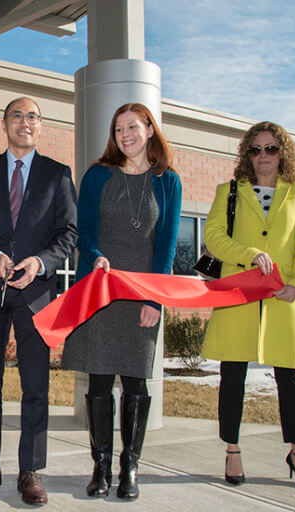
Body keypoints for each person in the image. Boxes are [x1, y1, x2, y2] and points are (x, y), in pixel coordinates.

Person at [0, 97, 78, 506]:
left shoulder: (58, 175)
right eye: (17, 116)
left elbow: (69, 234)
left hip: (36, 296)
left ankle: (31, 470)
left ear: (41, 126)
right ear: (4, 123)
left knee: (35, 386)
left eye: (32, 117)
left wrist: (40, 262)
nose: (25, 123)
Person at [63, 103, 182, 500]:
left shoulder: (169, 182)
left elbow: (165, 248)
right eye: (118, 130)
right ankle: (100, 467)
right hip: (101, 288)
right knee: (98, 378)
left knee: (135, 380)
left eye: (133, 127)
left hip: (142, 294)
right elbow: (83, 231)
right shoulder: (98, 175)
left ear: (150, 129)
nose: (125, 135)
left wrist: (155, 299)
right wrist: (95, 255)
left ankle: (129, 466)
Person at [200, 121, 295, 489]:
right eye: (255, 149)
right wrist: (250, 254)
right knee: (233, 377)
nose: (263, 156)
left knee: (292, 380)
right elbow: (214, 237)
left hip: (284, 298)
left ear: (284, 152)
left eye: (270, 148)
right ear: (246, 154)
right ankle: (232, 450)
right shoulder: (229, 191)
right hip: (240, 296)